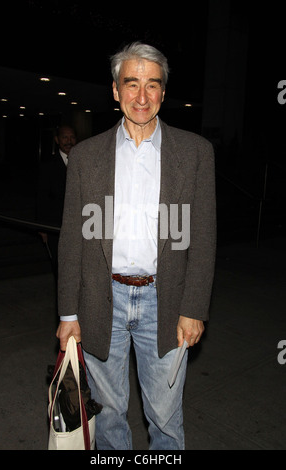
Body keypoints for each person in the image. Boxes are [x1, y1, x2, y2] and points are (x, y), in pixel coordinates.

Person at [56, 42, 216, 450]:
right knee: (108, 414)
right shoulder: (86, 157)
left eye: (152, 85)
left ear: (163, 92)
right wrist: (68, 313)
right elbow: (73, 238)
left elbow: (202, 237)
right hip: (100, 298)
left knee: (164, 417)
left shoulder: (196, 152)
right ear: (115, 90)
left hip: (165, 300)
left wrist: (194, 308)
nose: (141, 97)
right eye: (131, 84)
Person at [37, 125, 77, 279]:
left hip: (80, 226)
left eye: (72, 137)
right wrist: (42, 227)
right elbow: (42, 196)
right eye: (65, 137)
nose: (69, 141)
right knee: (60, 267)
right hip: (55, 225)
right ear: (57, 140)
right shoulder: (48, 166)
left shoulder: (83, 162)